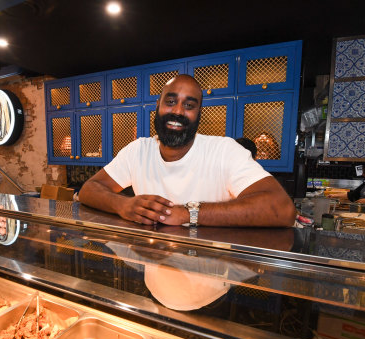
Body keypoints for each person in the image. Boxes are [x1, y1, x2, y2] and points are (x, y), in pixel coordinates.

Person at [78, 74, 296, 227]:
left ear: (199, 112)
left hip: (211, 289)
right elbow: (89, 189)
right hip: (154, 285)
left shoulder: (224, 151)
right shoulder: (137, 151)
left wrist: (188, 213)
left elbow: (282, 209)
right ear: (158, 105)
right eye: (171, 101)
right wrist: (123, 204)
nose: (178, 111)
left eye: (189, 105)